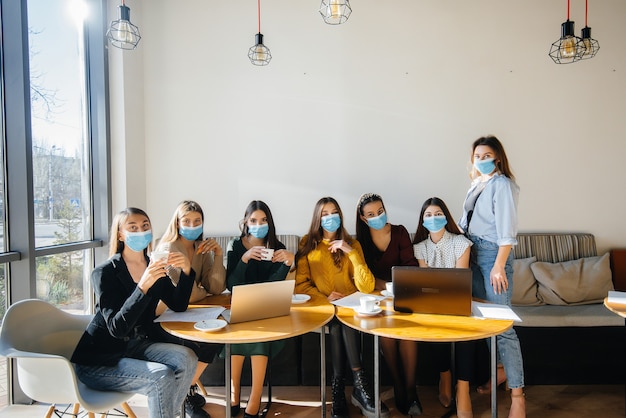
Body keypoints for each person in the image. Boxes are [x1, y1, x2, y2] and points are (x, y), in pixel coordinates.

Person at [71, 207, 199, 418]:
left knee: (187, 357)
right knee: (161, 376)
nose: (141, 231)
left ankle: (169, 414)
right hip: (99, 360)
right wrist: (142, 288)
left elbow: (178, 305)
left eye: (145, 226)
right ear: (121, 234)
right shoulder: (104, 273)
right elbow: (116, 328)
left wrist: (186, 271)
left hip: (138, 346)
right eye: (133, 227)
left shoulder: (153, 265)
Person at [295, 197, 390, 418]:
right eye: (325, 214)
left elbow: (366, 286)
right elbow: (301, 284)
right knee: (338, 324)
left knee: (344, 322)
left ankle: (345, 387)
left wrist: (351, 253)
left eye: (334, 212)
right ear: (318, 218)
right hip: (324, 305)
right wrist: (325, 297)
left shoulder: (353, 244)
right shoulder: (307, 242)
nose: (330, 218)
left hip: (351, 306)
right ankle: (353, 385)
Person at [458, 135, 525, 418]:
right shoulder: (478, 184)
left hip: (491, 257)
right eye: (477, 156)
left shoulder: (503, 185)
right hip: (472, 254)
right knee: (482, 322)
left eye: (487, 156)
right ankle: (499, 371)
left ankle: (518, 396)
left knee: (503, 327)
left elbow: (507, 231)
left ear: (498, 157)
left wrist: (498, 265)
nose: (482, 161)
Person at [153, 200, 227, 417]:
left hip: (188, 312)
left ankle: (184, 391)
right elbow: (192, 294)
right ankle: (183, 396)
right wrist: (201, 291)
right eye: (186, 221)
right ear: (177, 223)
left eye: (197, 221)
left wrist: (219, 256)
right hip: (163, 317)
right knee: (201, 342)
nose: (192, 225)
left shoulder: (200, 248)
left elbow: (216, 287)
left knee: (217, 336)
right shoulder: (169, 249)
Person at [226, 200, 295, 418]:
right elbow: (232, 285)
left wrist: (288, 264)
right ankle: (234, 394)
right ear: (246, 222)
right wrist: (244, 260)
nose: (259, 224)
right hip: (240, 306)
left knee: (260, 335)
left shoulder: (278, 248)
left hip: (267, 309)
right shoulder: (235, 246)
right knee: (236, 332)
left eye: (264, 220)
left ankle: (255, 399)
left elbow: (275, 287)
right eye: (254, 220)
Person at [355, 193, 422, 416]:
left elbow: (410, 268)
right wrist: (385, 285)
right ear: (364, 219)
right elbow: (364, 278)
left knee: (407, 334)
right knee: (386, 334)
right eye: (371, 214)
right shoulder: (361, 241)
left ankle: (411, 391)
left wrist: (390, 284)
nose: (378, 216)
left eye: (380, 211)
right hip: (377, 298)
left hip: (404, 294)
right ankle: (398, 385)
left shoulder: (400, 232)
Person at [413, 197, 475, 418]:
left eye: (437, 213)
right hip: (433, 305)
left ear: (446, 216)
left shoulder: (461, 243)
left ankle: (463, 389)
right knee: (433, 325)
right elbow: (426, 283)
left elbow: (460, 282)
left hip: (459, 301)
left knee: (466, 332)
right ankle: (445, 377)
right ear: (422, 221)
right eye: (428, 215)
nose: (433, 218)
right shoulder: (419, 248)